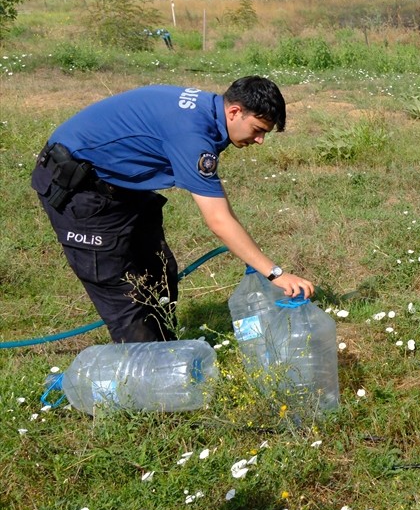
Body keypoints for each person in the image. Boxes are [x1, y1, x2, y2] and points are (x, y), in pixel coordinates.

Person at [31, 76, 316, 343]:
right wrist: (275, 274)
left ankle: (165, 350)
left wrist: (258, 260)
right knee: (125, 294)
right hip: (79, 188)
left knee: (158, 271)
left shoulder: (210, 113)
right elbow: (218, 219)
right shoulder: (192, 134)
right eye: (258, 130)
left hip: (123, 186)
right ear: (235, 112)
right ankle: (149, 380)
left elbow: (221, 207)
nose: (259, 140)